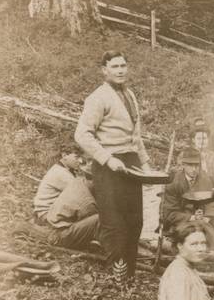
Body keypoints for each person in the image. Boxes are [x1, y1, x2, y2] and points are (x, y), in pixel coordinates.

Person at [75, 50, 150, 286]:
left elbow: (136, 137)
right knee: (114, 223)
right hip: (109, 167)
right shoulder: (98, 98)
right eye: (115, 66)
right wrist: (107, 158)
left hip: (131, 165)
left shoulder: (130, 95)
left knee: (135, 220)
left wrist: (146, 164)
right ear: (104, 70)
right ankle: (116, 278)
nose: (120, 70)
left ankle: (129, 276)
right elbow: (82, 135)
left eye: (123, 65)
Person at [160, 149, 214, 251]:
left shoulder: (204, 178)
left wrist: (208, 216)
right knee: (202, 225)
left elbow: (212, 202)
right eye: (190, 165)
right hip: (180, 223)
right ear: (183, 165)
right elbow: (169, 214)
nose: (194, 169)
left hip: (203, 217)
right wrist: (192, 217)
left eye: (197, 165)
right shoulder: (173, 183)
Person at [43, 162, 101, 250]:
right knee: (99, 219)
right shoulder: (86, 201)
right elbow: (95, 220)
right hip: (59, 236)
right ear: (93, 180)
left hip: (54, 227)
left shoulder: (79, 182)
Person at [33, 144, 83, 222]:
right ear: (64, 155)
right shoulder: (60, 173)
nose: (80, 161)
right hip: (46, 215)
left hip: (50, 212)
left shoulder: (62, 169)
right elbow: (82, 194)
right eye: (76, 157)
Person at [190, 121, 214, 187]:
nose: (202, 141)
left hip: (213, 190)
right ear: (193, 140)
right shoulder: (186, 155)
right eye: (199, 139)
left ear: (208, 139)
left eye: (204, 138)